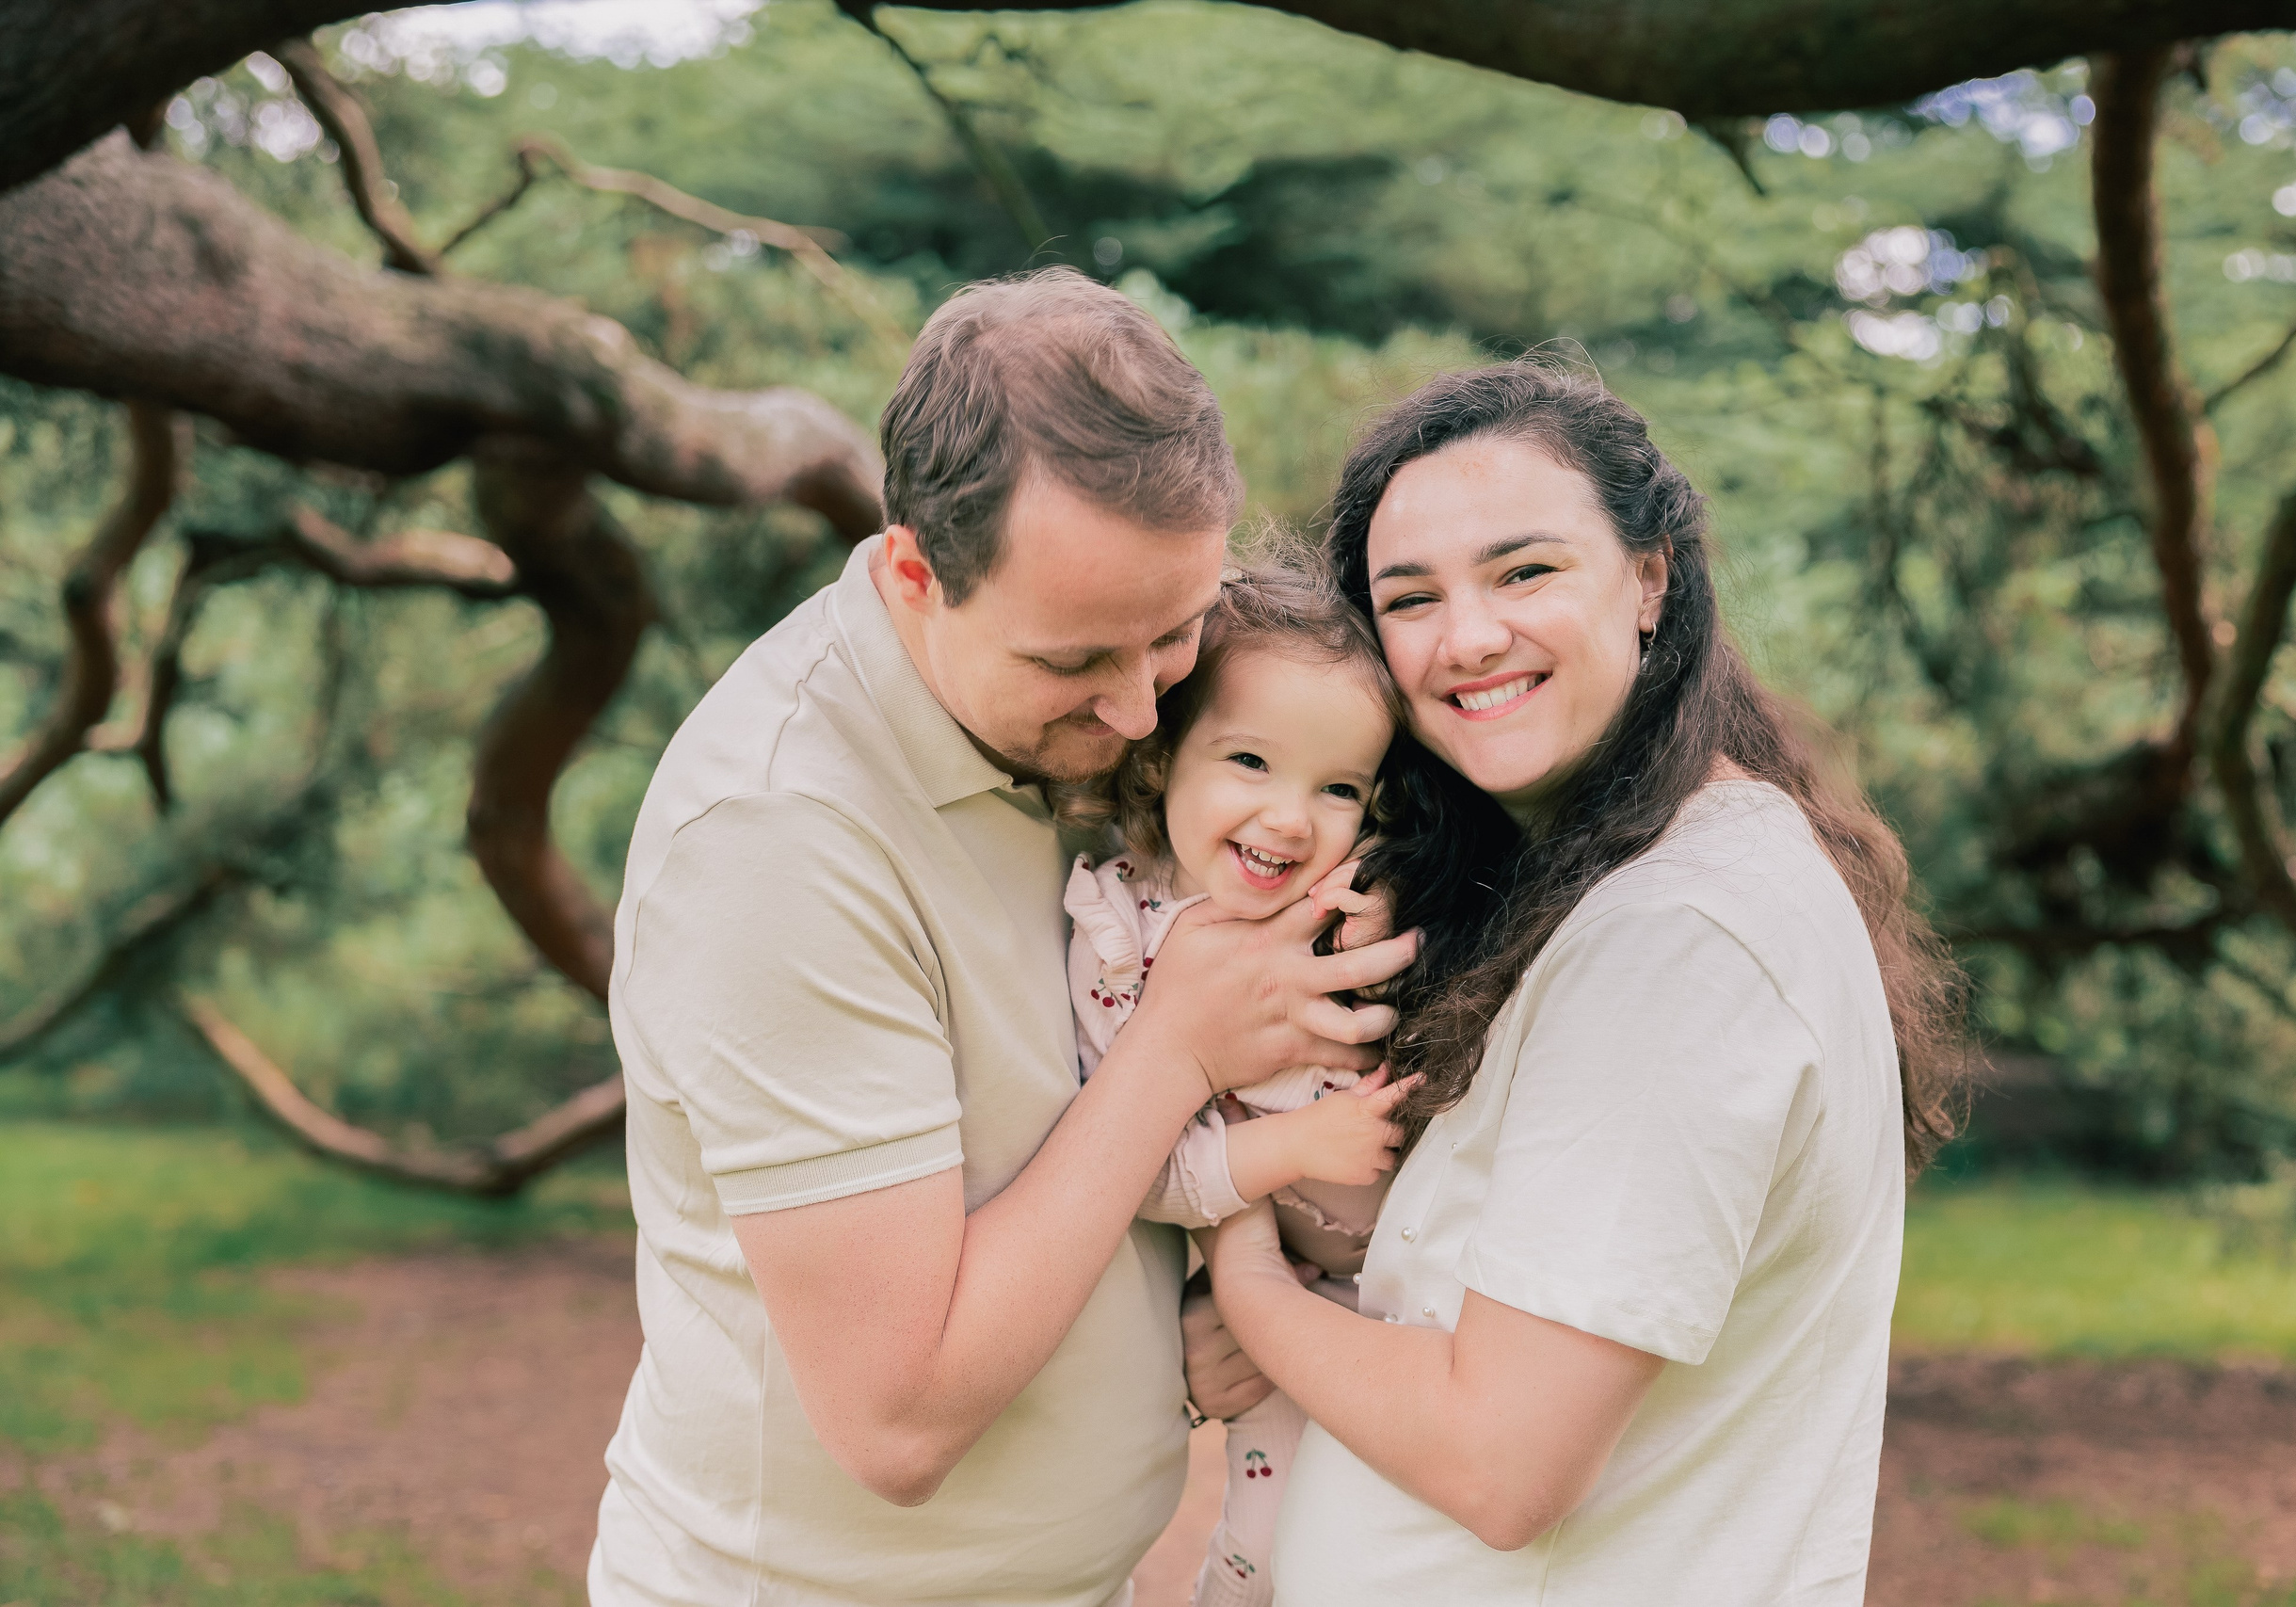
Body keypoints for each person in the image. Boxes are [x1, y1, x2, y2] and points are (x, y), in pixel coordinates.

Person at [587, 268, 1417, 1607]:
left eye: (1176, 630)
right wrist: (1177, 1049)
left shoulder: (1084, 720)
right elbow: (896, 1415)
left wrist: (1184, 1329)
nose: (1143, 711)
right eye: (1079, 658)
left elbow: (1042, 1121)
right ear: (914, 570)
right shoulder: (779, 839)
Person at [1191, 360, 1966, 1603]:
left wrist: (1247, 1282)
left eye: (1525, 570)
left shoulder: (1681, 942)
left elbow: (1500, 1456)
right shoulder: (1647, 879)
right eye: (1411, 597)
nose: (1469, 635)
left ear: (1650, 576)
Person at [1053, 557, 1419, 1607]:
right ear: (1164, 754)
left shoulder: (1362, 909)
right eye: (1249, 760)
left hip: (1424, 1300)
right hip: (1274, 1303)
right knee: (1269, 1553)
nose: (1291, 819)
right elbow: (1135, 1163)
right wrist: (1293, 1151)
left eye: (1338, 787)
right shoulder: (1122, 943)